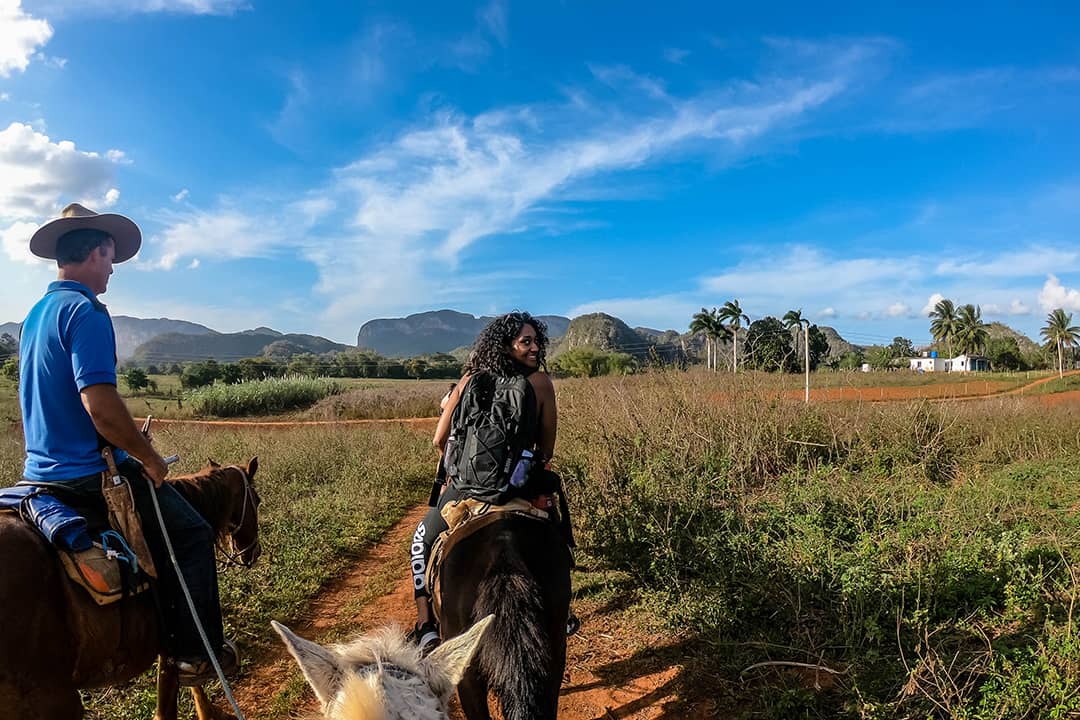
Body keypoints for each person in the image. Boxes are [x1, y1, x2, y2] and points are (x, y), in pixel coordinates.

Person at [18, 203, 236, 686]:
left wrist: (124, 433)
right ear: (95, 253)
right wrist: (149, 457)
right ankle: (198, 654)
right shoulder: (87, 311)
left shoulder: (34, 317)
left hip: (37, 478)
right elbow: (98, 403)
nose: (113, 268)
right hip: (85, 479)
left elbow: (69, 406)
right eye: (110, 256)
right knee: (194, 534)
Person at [409, 311, 558, 654]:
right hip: (520, 487)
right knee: (556, 536)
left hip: (467, 490)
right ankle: (562, 612)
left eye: (536, 341)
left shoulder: (468, 381)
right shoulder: (540, 383)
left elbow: (438, 439)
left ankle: (426, 624)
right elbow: (547, 449)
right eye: (527, 341)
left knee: (420, 542)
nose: (535, 347)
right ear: (507, 345)